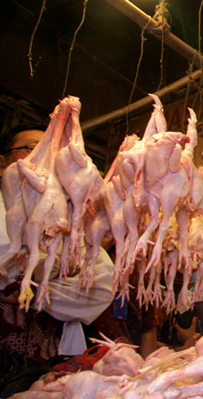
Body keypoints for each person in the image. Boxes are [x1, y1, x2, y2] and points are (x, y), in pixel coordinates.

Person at [0, 123, 114, 365]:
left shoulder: (71, 221)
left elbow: (100, 290)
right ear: (2, 164)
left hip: (46, 365)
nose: (44, 159)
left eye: (51, 151)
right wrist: (63, 273)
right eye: (31, 148)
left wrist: (33, 289)